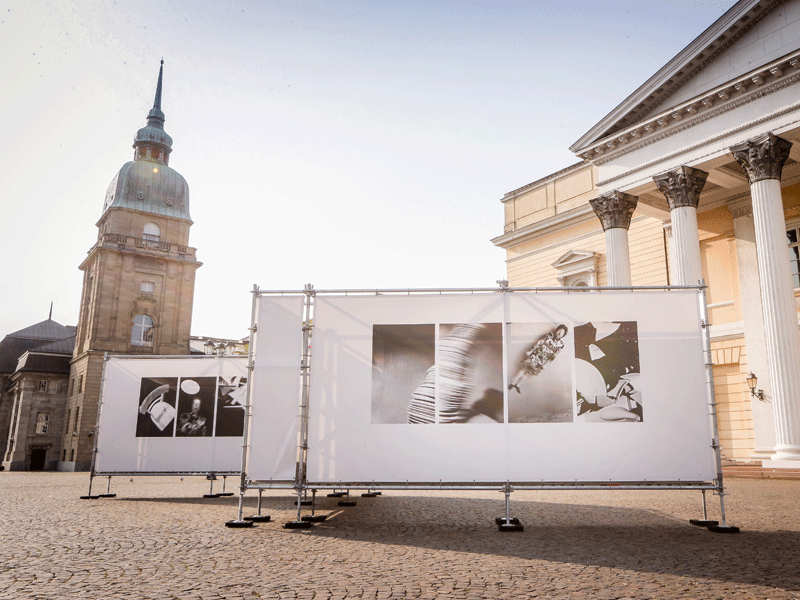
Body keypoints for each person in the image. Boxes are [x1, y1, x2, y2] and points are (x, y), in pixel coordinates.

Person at [508, 324, 568, 394]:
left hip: (542, 361)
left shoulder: (561, 345)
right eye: (560, 331)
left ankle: (518, 385)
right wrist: (530, 351)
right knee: (523, 369)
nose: (560, 333)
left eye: (562, 333)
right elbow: (538, 344)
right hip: (535, 355)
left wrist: (546, 364)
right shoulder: (548, 335)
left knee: (528, 373)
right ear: (557, 330)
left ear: (563, 335)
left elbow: (554, 356)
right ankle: (513, 382)